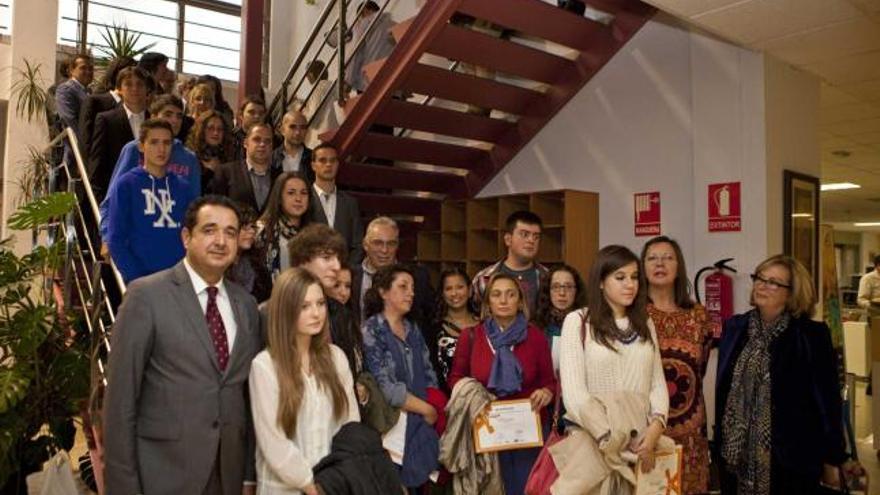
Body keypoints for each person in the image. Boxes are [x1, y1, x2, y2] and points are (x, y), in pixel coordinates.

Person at [103, 195, 262, 494]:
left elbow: (248, 397)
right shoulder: (145, 297)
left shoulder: (247, 306)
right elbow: (120, 403)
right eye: (210, 230)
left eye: (230, 232)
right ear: (186, 237)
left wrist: (248, 475)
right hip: (163, 474)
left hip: (226, 474)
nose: (221, 241)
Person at [715, 255, 853, 494]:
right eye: (759, 278)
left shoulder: (811, 335)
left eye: (773, 282)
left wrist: (834, 457)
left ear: (792, 293)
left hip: (791, 458)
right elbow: (723, 391)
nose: (761, 285)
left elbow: (827, 402)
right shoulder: (735, 327)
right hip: (735, 455)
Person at [558, 245, 668, 494]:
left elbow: (657, 383)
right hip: (594, 442)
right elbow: (574, 393)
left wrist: (654, 429)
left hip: (642, 444)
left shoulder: (645, 322)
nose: (629, 284)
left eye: (634, 277)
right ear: (600, 282)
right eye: (620, 278)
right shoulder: (578, 321)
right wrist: (609, 437)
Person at [249, 268, 359, 495]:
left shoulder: (336, 357)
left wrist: (334, 479)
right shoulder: (265, 366)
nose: (316, 313)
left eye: (320, 304)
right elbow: (273, 441)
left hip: (333, 484)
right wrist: (310, 483)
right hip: (284, 488)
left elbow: (350, 425)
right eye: (304, 306)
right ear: (285, 311)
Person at [448, 272, 555, 495]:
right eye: (496, 295)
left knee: (526, 489)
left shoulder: (535, 336)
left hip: (527, 433)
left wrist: (546, 392)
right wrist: (475, 398)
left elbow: (549, 382)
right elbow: (455, 379)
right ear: (488, 303)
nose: (504, 301)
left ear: (520, 301)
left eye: (510, 294)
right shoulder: (471, 336)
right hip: (486, 431)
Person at [640, 236, 714, 494]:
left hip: (690, 427)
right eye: (652, 258)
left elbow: (700, 368)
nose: (660, 263)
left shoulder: (698, 315)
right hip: (643, 428)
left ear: (679, 266)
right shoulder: (633, 314)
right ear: (643, 266)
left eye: (668, 258)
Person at [362, 264, 441, 491]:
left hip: (421, 422)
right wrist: (426, 409)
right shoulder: (372, 330)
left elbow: (429, 375)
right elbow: (385, 385)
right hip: (391, 426)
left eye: (413, 288)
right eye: (403, 287)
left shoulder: (413, 328)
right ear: (383, 292)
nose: (411, 293)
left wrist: (429, 408)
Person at [99, 94, 200, 242]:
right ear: (153, 117)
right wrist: (107, 237)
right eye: (168, 114)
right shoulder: (134, 149)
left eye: (179, 116)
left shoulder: (189, 158)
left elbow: (194, 206)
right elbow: (112, 199)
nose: (174, 120)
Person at [105, 119, 195, 283]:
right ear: (141, 146)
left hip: (178, 280)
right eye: (154, 142)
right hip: (141, 282)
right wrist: (136, 279)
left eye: (167, 143)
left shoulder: (183, 187)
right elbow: (115, 239)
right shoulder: (126, 184)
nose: (161, 149)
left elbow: (192, 235)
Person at [289, 224, 363, 379]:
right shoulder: (272, 311)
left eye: (337, 259)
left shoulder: (340, 312)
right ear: (303, 261)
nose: (336, 266)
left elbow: (350, 377)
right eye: (327, 258)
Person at [352, 216, 435, 329]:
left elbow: (430, 320)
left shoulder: (418, 278)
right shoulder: (349, 277)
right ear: (365, 245)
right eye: (378, 243)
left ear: (397, 246)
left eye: (391, 244)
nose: (384, 250)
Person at [89, 66, 150, 199]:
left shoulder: (155, 120)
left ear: (147, 89)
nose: (135, 89)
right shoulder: (106, 120)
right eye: (128, 84)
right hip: (118, 195)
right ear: (120, 90)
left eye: (140, 84)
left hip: (150, 195)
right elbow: (97, 166)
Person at [471, 210, 548, 317]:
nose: (531, 240)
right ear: (508, 239)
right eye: (524, 234)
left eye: (536, 237)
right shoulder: (484, 278)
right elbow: (475, 316)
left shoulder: (547, 277)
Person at [308, 143, 363, 265]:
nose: (328, 164)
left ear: (338, 165)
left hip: (344, 273)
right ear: (313, 165)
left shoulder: (350, 203)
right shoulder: (304, 199)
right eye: (322, 160)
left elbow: (358, 244)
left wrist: (345, 271)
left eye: (333, 160)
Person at [210, 122, 281, 214]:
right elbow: (215, 209)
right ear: (245, 143)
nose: (262, 144)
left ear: (272, 146)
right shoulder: (226, 172)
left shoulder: (280, 176)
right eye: (257, 139)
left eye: (267, 141)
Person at [432, 267, 478, 392]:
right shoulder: (433, 329)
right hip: (447, 399)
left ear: (469, 291)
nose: (454, 293)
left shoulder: (485, 326)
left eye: (460, 287)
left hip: (484, 397)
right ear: (442, 294)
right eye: (448, 289)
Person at [257, 171, 311, 279]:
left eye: (303, 193)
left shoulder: (313, 234)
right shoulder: (262, 229)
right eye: (291, 193)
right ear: (279, 198)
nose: (298, 199)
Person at [79, 56, 136, 156]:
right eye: (129, 81)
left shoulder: (136, 107)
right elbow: (86, 141)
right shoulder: (95, 102)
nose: (135, 87)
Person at [534, 263, 586, 373]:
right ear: (548, 291)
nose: (562, 293)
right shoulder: (536, 326)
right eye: (556, 287)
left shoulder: (588, 324)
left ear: (577, 291)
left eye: (568, 287)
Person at [227, 204, 272, 303]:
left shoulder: (259, 269)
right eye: (244, 227)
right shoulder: (219, 267)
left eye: (253, 227)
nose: (251, 231)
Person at [186, 109, 233, 192]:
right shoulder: (189, 156)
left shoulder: (229, 156)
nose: (216, 133)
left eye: (220, 129)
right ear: (201, 130)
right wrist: (209, 172)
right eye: (211, 128)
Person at [272, 110, 314, 182]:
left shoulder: (314, 158)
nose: (298, 132)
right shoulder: (272, 158)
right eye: (293, 127)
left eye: (302, 127)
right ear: (282, 130)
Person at [232, 95, 267, 161]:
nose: (257, 116)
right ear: (241, 115)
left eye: (261, 113)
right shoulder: (231, 138)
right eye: (251, 112)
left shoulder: (272, 140)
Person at [857, 254, 880, 320]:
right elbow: (861, 300)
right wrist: (874, 306)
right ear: (878, 266)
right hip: (874, 316)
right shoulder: (868, 278)